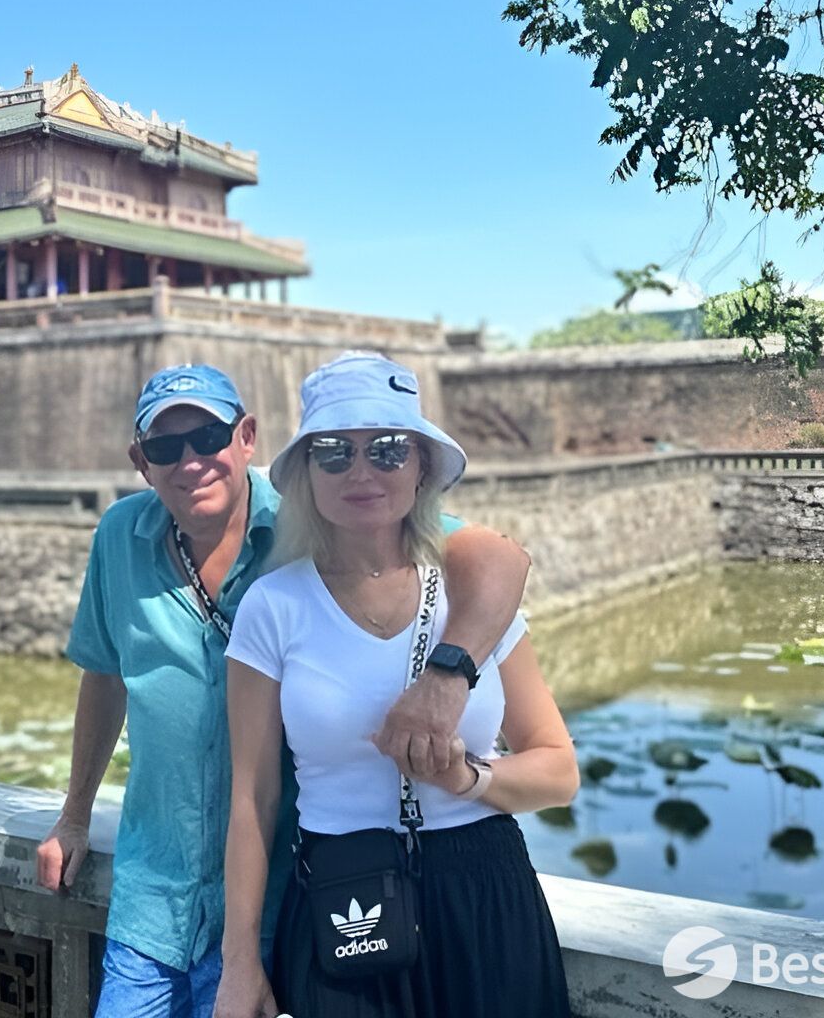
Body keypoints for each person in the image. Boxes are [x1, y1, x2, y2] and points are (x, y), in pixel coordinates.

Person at [37, 363, 533, 1018]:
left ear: (246, 437)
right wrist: (74, 816)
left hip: (277, 900)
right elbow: (104, 679)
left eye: (208, 438)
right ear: (141, 461)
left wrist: (446, 675)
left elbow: (501, 557)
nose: (191, 462)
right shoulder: (118, 539)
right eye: (165, 447)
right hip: (153, 890)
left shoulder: (318, 516)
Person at [216, 354, 578, 1018]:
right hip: (344, 894)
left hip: (485, 895)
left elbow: (558, 771)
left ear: (420, 468)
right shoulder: (273, 606)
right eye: (334, 452)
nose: (361, 471)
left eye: (387, 449)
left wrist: (469, 778)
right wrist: (239, 964)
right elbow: (253, 799)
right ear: (306, 474)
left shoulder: (473, 602)